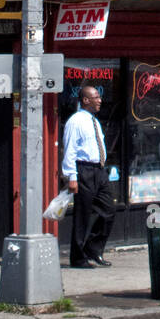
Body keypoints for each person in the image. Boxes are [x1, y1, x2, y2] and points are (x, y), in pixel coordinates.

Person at [61, 83, 116, 268]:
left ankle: (93, 248)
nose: (100, 100)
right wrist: (72, 176)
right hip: (83, 170)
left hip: (99, 170)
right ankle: (78, 258)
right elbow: (70, 150)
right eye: (96, 97)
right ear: (86, 100)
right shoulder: (75, 121)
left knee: (108, 210)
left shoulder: (94, 120)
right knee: (82, 215)